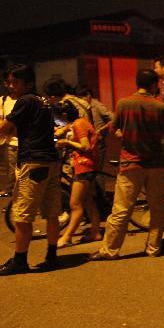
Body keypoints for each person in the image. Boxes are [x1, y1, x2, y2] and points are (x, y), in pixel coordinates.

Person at [90, 69, 164, 260]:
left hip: (130, 164)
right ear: (153, 85)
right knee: (157, 208)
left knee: (121, 209)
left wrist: (126, 136)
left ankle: (110, 250)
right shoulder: (161, 107)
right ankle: (153, 248)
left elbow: (115, 129)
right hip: (156, 163)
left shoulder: (124, 103)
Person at [0, 65, 61, 274]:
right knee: (52, 213)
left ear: (28, 84)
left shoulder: (24, 100)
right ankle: (52, 256)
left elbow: (5, 128)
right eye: (9, 81)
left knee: (21, 214)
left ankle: (20, 260)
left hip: (34, 162)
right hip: (51, 161)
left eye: (14, 82)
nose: (10, 86)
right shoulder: (42, 101)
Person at [54, 102, 102, 248]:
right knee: (88, 201)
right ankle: (95, 231)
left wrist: (67, 143)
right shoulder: (80, 122)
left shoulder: (78, 125)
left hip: (84, 165)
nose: (57, 122)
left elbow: (85, 146)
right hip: (88, 165)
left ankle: (67, 237)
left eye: (57, 118)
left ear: (64, 115)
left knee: (75, 204)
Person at [0, 89, 18, 197]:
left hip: (23, 141)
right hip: (10, 141)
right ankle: (10, 190)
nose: (11, 86)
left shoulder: (26, 100)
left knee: (16, 170)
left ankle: (11, 191)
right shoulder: (4, 100)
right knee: (11, 168)